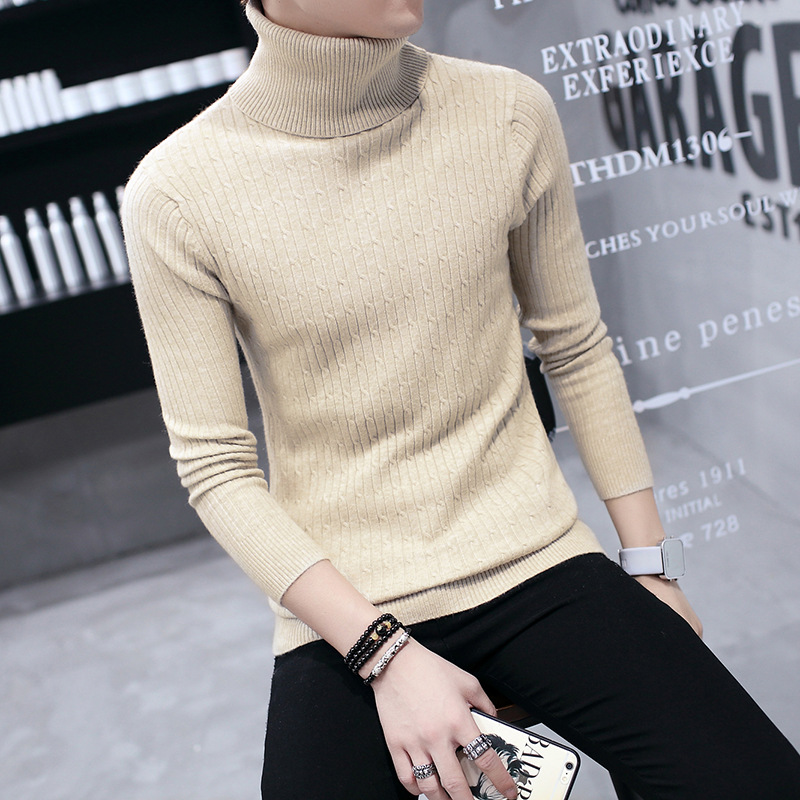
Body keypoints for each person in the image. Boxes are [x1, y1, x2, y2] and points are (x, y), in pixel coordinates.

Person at [121, 1, 800, 798]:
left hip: (534, 558)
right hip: (344, 600)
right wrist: (385, 655)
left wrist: (651, 568)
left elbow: (576, 347)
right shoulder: (177, 191)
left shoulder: (506, 111)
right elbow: (217, 470)